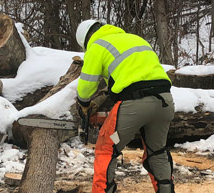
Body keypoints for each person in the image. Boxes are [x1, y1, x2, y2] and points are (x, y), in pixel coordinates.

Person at [75, 19, 175, 193]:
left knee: (106, 147)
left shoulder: (97, 45)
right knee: (156, 152)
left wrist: (83, 104)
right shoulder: (135, 39)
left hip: (134, 105)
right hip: (164, 102)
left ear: (85, 40)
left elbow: (86, 86)